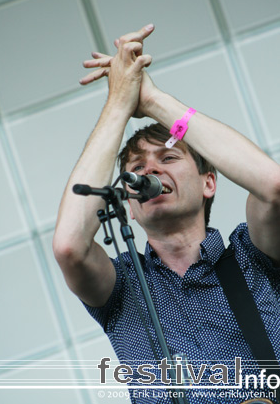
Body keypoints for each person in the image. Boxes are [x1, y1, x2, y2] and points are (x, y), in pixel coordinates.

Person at [53, 24, 280, 403]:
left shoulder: (251, 256)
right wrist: (118, 104)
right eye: (137, 167)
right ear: (129, 203)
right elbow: (69, 247)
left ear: (210, 182)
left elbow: (273, 187)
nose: (149, 171)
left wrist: (153, 100)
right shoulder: (124, 285)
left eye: (169, 158)